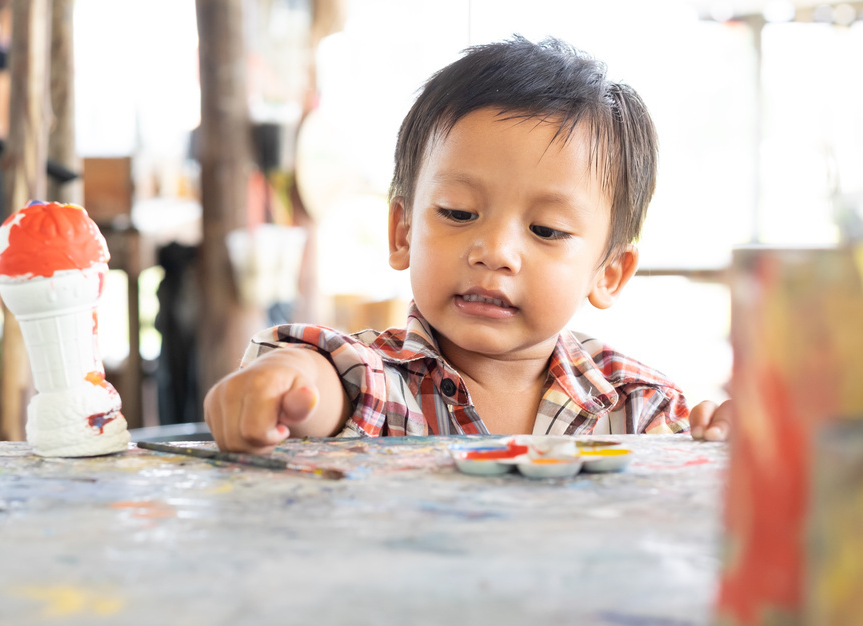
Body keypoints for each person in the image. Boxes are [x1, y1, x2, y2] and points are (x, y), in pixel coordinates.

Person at [204, 36, 732, 452]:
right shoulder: (375, 379)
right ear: (402, 232)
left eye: (546, 230)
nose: (494, 252)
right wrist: (285, 382)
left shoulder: (639, 409)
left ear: (609, 272)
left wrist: (728, 439)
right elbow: (323, 380)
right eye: (458, 213)